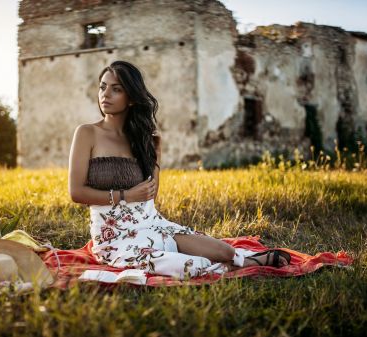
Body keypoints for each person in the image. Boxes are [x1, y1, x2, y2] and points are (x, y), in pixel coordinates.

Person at [68, 60, 290, 280]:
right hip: (115, 239)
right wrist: (125, 196)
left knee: (225, 251)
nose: (105, 94)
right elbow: (76, 192)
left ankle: (244, 261)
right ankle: (233, 268)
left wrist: (155, 154)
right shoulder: (87, 133)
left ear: (132, 99)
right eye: (102, 87)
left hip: (153, 224)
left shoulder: (144, 141)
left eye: (116, 89)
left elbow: (151, 194)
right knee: (191, 266)